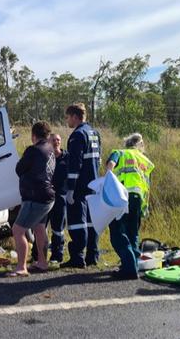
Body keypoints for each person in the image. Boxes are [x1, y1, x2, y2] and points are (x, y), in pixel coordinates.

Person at [8, 121, 56, 277]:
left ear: (33, 135)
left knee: (18, 230)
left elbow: (19, 169)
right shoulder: (50, 150)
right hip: (48, 196)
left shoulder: (33, 150)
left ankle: (21, 267)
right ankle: (42, 262)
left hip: (35, 197)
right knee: (39, 228)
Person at [106, 133, 155, 280]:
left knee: (117, 233)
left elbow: (110, 166)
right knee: (133, 232)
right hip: (137, 199)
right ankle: (132, 263)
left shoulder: (119, 153)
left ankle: (129, 268)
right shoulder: (145, 161)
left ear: (126, 144)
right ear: (140, 145)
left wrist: (107, 184)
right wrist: (144, 207)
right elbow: (147, 185)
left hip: (121, 196)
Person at [62, 103, 102, 269]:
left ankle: (78, 257)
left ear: (75, 116)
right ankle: (92, 255)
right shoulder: (94, 133)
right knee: (92, 221)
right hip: (93, 183)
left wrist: (70, 188)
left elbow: (75, 165)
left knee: (78, 221)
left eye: (68, 117)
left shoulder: (77, 135)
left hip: (80, 185)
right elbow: (98, 159)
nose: (67, 121)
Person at [47, 133, 70, 263]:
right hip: (46, 196)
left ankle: (57, 254)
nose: (56, 142)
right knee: (41, 226)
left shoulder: (67, 157)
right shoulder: (46, 157)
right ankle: (37, 255)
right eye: (53, 140)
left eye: (58, 140)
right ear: (48, 142)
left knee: (58, 227)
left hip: (61, 196)